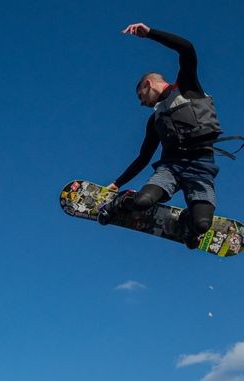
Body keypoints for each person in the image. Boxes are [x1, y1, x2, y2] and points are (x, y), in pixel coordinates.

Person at [99, 22, 233, 248]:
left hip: (201, 167)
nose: (142, 104)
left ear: (147, 84)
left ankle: (186, 224)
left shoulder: (187, 87)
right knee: (143, 201)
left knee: (202, 225)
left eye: (141, 97)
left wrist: (150, 33)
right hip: (170, 168)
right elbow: (143, 157)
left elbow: (187, 48)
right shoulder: (156, 120)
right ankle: (120, 203)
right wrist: (117, 183)